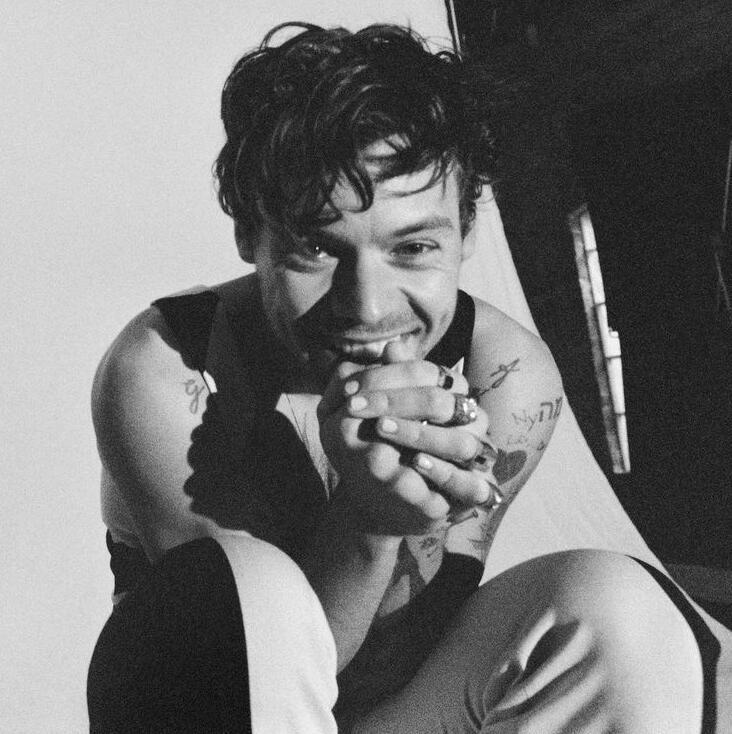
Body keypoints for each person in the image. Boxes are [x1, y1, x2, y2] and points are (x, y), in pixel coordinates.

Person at [87, 22, 716, 733]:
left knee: (613, 608)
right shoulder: (164, 369)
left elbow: (396, 663)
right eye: (316, 249)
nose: (368, 308)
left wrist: (393, 522)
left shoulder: (503, 376)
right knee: (251, 586)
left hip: (384, 708)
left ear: (466, 233)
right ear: (247, 232)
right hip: (197, 713)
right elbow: (255, 676)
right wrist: (366, 523)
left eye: (413, 248)